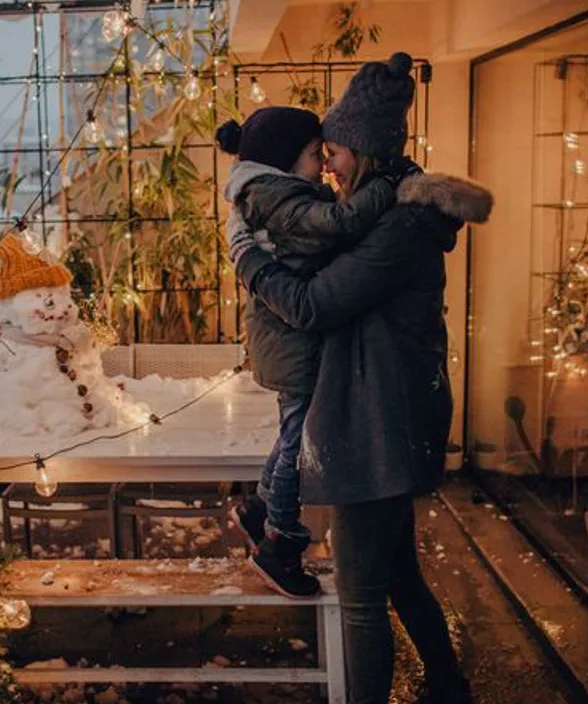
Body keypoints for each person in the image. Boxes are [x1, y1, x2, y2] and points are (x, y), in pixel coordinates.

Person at [229, 52, 492, 704]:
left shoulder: (397, 227)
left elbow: (315, 303)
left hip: (378, 424)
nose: (329, 165)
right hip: (384, 413)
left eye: (337, 152)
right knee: (397, 572)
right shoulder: (389, 214)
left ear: (364, 153)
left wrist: (248, 261)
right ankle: (449, 685)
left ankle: (434, 686)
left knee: (361, 597)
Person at [214, 106, 401, 598]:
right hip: (294, 342)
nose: (322, 165)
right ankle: (280, 542)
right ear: (284, 158)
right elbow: (338, 222)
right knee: (298, 446)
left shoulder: (270, 194)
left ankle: (258, 510)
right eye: (314, 154)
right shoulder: (281, 197)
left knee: (292, 435)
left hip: (288, 342)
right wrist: (386, 185)